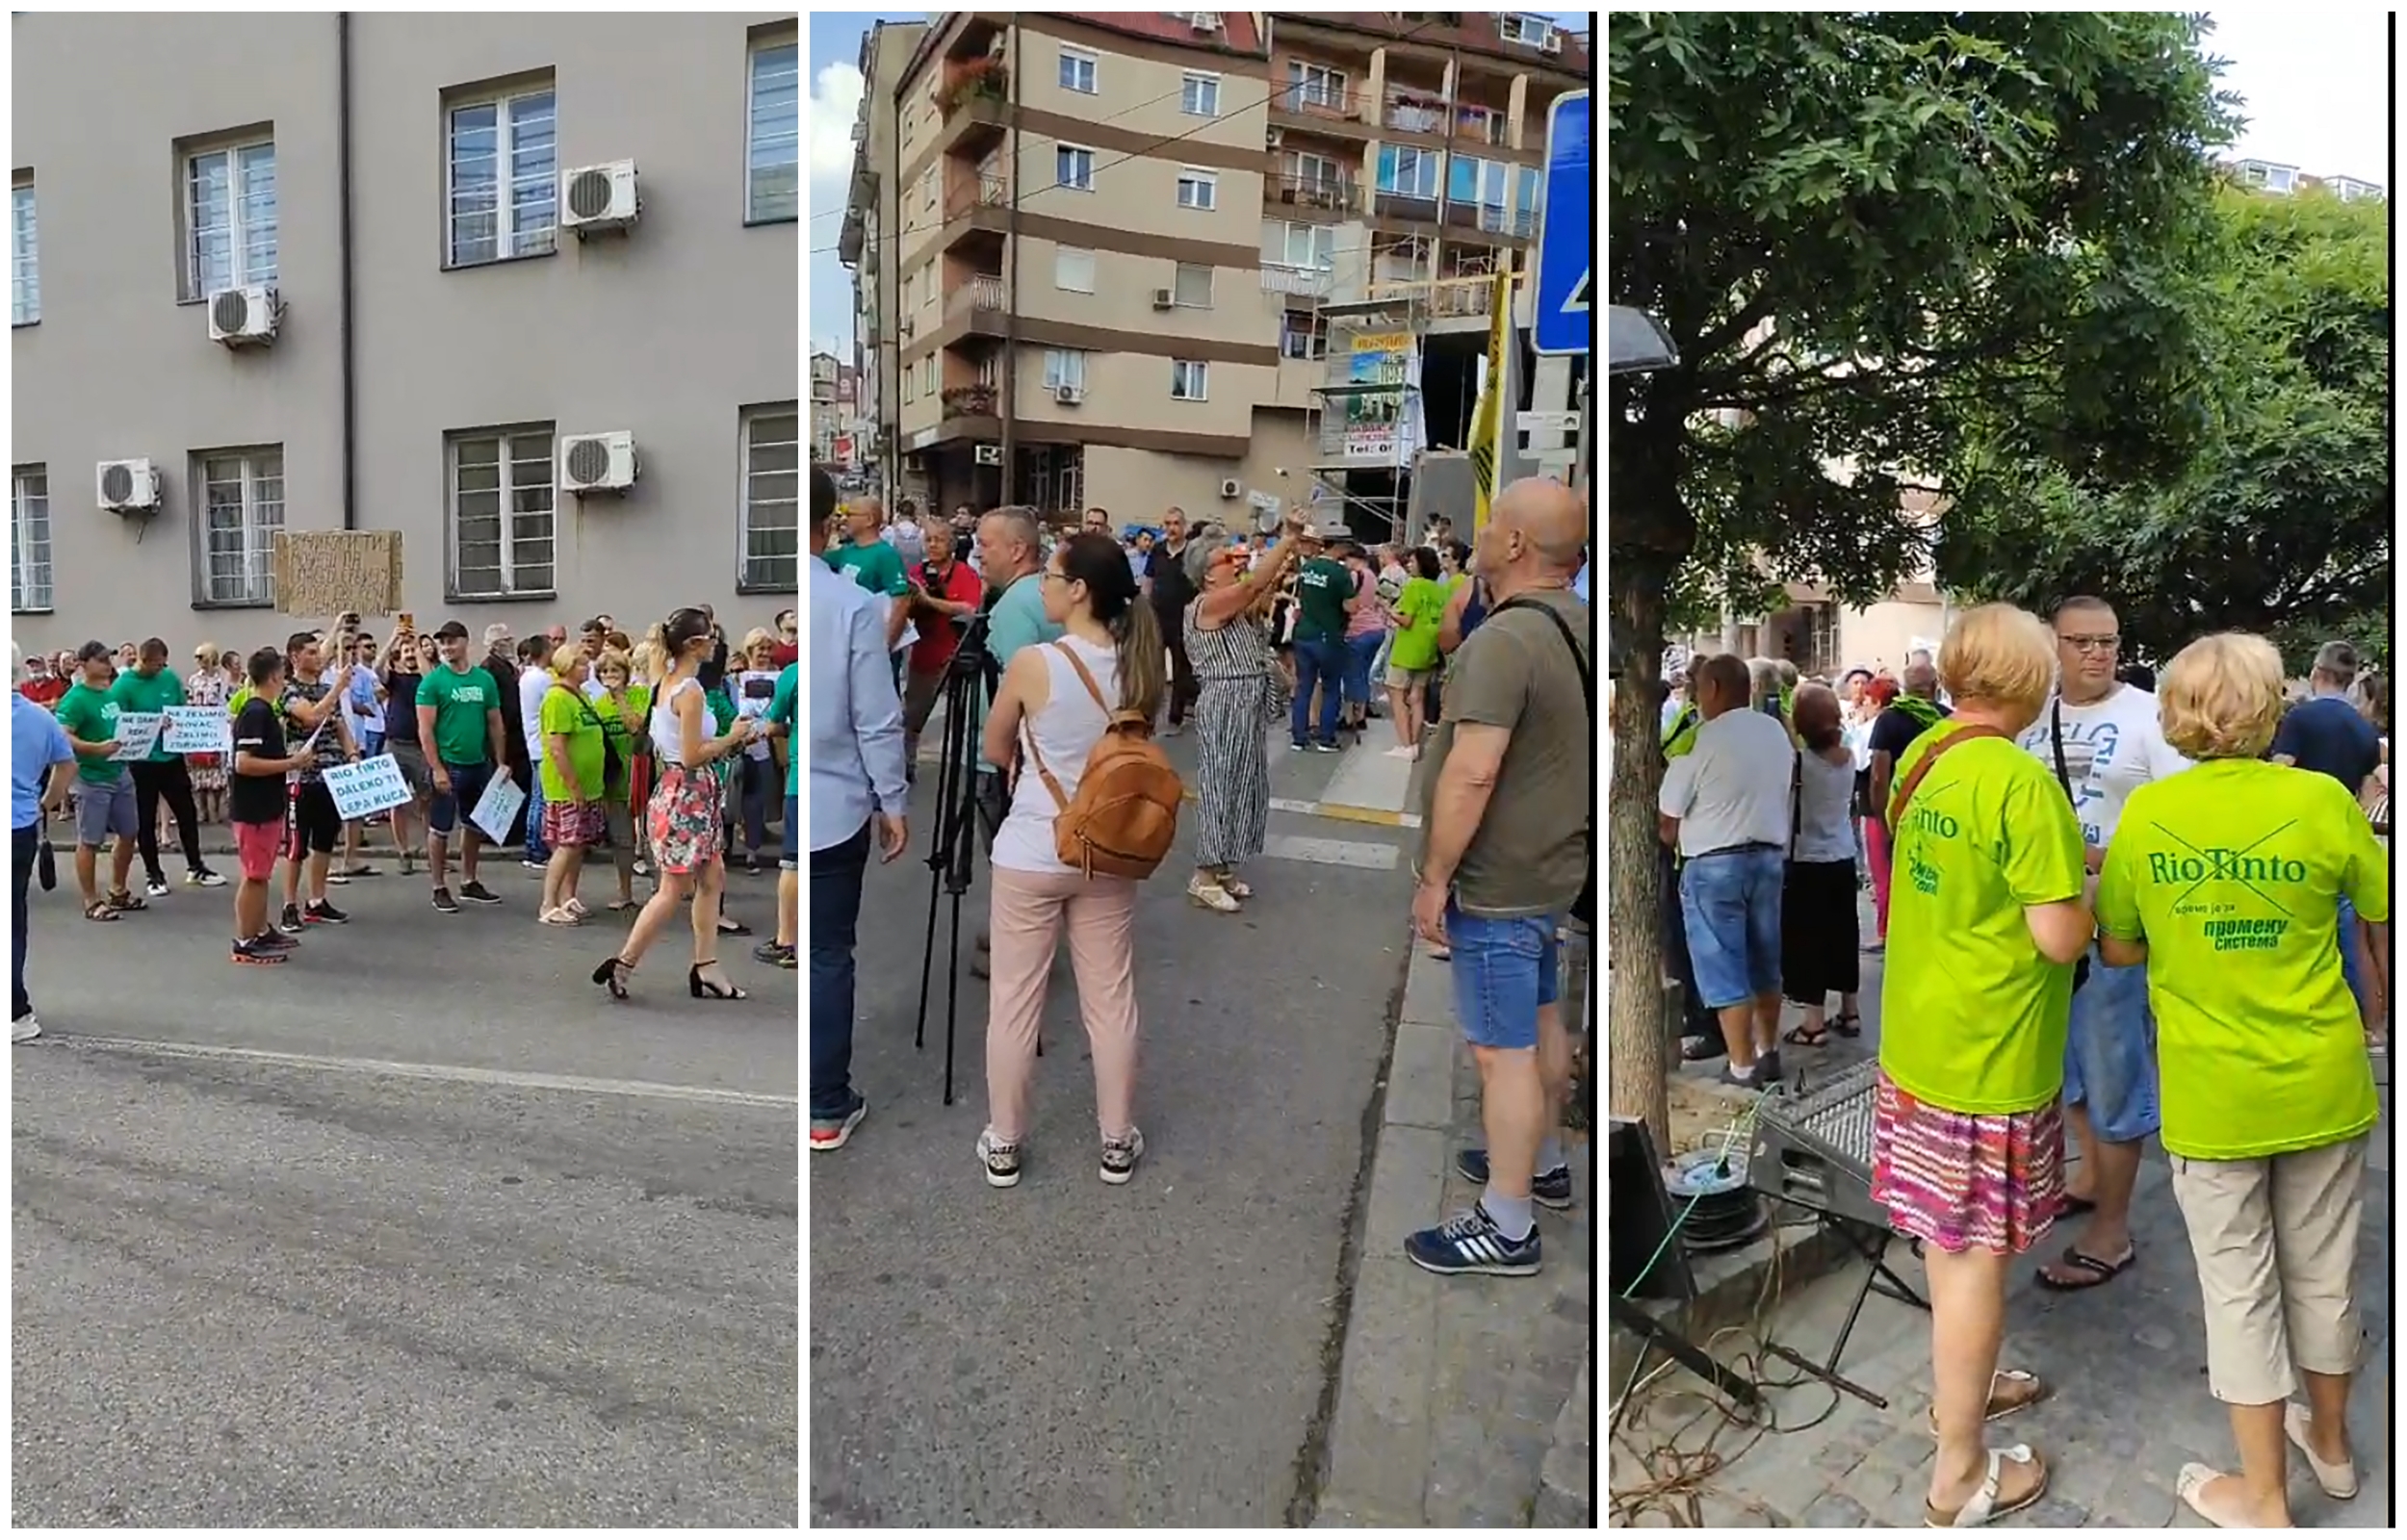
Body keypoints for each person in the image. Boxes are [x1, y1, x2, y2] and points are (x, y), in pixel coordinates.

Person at [2091, 632, 2381, 1527]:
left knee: (2240, 1291)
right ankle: (2329, 1450)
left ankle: (2264, 1500)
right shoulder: (2324, 802)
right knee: (2326, 1275)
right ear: (2272, 705)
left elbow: (2119, 946)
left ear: (2177, 713)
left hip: (2214, 1094)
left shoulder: (2148, 815)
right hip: (2323, 1080)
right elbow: (2381, 903)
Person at [1874, 603, 2088, 1527]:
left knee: (1942, 1246)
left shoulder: (1922, 760)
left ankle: (1966, 1387)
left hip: (1918, 1045)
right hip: (1989, 1061)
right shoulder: (2021, 782)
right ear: (2034, 683)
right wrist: (2089, 890)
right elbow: (2056, 937)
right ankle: (1958, 1474)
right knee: (1971, 1264)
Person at [1405, 478, 1592, 1275]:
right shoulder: (1575, 623)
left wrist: (1436, 877)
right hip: (1549, 869)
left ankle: (1506, 1222)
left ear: (1515, 545)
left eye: (1492, 525)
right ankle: (1540, 1160)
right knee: (1542, 1020)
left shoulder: (1505, 641)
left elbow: (1473, 772)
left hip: (1497, 880)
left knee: (1500, 1052)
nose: (1476, 533)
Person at [975, 531, 1167, 1188]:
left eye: (1053, 577)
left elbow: (995, 746)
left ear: (1080, 590)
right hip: (1109, 849)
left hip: (1034, 844)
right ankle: (1117, 1139)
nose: (1046, 587)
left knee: (1014, 1001)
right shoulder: (1142, 663)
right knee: (1111, 999)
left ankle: (1004, 1141)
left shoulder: (1034, 663)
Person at [2015, 596, 2190, 1292]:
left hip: (2116, 932)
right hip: (2046, 931)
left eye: (2108, 642)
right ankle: (2088, 1178)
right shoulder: (2033, 719)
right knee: (2071, 1072)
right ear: (2052, 646)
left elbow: (2178, 822)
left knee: (2115, 1074)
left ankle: (2112, 1231)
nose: (2096, 653)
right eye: (2081, 642)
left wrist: (2097, 857)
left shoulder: (2149, 716)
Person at [807, 470, 911, 1145]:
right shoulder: (847, 603)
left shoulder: (841, 598)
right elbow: (877, 716)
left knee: (802, 946)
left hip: (799, 792)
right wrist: (892, 799)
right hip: (837, 801)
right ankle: (824, 1104)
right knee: (827, 953)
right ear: (830, 521)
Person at [591, 607, 762, 1003]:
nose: (716, 644)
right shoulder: (690, 690)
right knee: (673, 887)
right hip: (687, 792)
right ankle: (624, 962)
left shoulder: (663, 681)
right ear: (694, 645)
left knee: (712, 877)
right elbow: (692, 754)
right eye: (711, 638)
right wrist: (735, 736)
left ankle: (707, 966)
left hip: (681, 790)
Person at [1658, 652, 1796, 1086]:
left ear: (1712, 689)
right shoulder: (1774, 731)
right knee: (1764, 961)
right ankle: (1768, 1050)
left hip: (1714, 863)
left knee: (1724, 968)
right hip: (1769, 858)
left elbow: (1667, 822)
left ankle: (1741, 1067)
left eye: (1697, 687)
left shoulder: (1700, 739)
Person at [1184, 510, 1305, 912]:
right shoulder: (1208, 604)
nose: (1235, 563)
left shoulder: (1231, 603)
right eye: (1225, 560)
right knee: (1221, 785)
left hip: (1246, 697)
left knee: (1245, 784)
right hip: (1225, 698)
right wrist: (1286, 539)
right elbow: (1255, 584)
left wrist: (1290, 553)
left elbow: (1263, 586)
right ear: (1207, 573)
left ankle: (1222, 866)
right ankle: (1204, 872)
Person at [2272, 639, 2384, 1028]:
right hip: (2344, 839)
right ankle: (2366, 1024)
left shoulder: (2300, 720)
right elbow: (2367, 794)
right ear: (2351, 679)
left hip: (2297, 842)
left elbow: (2280, 772)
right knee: (2353, 942)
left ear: (2317, 673)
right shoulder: (2364, 729)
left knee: (2301, 938)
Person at [1779, 684, 1863, 1045]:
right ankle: (1850, 1009)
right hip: (1843, 855)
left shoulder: (1798, 763)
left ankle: (1813, 1023)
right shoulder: (1849, 759)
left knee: (1808, 940)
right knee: (1845, 934)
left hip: (1806, 860)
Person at [225, 648, 316, 965]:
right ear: (275, 676)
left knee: (261, 873)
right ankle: (245, 940)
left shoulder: (263, 710)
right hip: (253, 808)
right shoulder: (255, 713)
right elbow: (244, 763)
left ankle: (261, 930)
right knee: (254, 875)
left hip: (266, 804)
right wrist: (292, 762)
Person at [111, 637, 222, 896]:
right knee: (145, 820)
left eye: (163, 664)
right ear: (143, 660)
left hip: (170, 758)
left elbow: (181, 709)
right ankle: (154, 874)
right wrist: (152, 723)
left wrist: (182, 723)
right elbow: (120, 722)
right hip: (142, 762)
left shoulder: (169, 678)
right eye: (156, 665)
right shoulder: (123, 685)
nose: (160, 669)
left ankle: (196, 866)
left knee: (186, 813)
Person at [417, 620, 511, 914]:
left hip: (477, 763)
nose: (446, 647)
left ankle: (469, 880)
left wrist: (500, 762)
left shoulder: (484, 679)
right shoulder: (433, 682)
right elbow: (425, 729)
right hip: (449, 763)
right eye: (442, 642)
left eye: (451, 641)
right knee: (440, 828)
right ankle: (438, 886)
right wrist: (437, 768)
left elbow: (495, 723)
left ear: (465, 642)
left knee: (474, 825)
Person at [272, 630, 359, 934]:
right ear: (295, 657)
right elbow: (310, 717)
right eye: (310, 652)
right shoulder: (288, 689)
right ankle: (289, 905)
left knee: (325, 841)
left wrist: (351, 755)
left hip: (331, 775)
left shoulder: (324, 688)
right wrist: (338, 688)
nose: (318, 656)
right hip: (302, 778)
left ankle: (317, 900)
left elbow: (339, 726)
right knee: (297, 845)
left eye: (317, 651)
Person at [53, 642, 145, 922]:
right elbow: (63, 735)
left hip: (119, 773)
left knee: (129, 833)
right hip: (91, 778)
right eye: (101, 659)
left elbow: (123, 726)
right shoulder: (76, 698)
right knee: (90, 841)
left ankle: (118, 889)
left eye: (109, 659)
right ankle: (91, 900)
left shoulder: (109, 694)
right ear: (84, 664)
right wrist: (95, 749)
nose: (107, 664)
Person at [14, 647, 78, 1037]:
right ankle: (16, 1011)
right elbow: (67, 763)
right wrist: (48, 803)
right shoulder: (39, 718)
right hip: (20, 825)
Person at [536, 644, 608, 926]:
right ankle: (548, 903)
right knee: (566, 844)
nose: (586, 667)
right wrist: (573, 785)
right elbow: (557, 747)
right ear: (566, 666)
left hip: (590, 784)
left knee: (578, 844)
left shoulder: (582, 696)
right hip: (567, 787)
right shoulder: (557, 698)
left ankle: (569, 896)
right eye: (580, 663)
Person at [901, 533, 983, 771]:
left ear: (952, 544)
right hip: (924, 653)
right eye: (929, 540)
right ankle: (907, 763)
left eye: (940, 539)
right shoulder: (917, 572)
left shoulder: (965, 574)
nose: (933, 545)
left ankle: (966, 765)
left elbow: (969, 609)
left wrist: (929, 601)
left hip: (956, 653)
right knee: (913, 716)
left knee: (963, 717)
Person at [587, 647, 649, 913]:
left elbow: (637, 727)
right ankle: (625, 893)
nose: (610, 676)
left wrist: (621, 697)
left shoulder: (641, 695)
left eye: (615, 670)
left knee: (653, 838)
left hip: (644, 776)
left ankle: (662, 892)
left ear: (626, 672)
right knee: (622, 840)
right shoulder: (597, 704)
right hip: (614, 782)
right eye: (605, 671)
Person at [1288, 527, 1355, 752]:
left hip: (1304, 633)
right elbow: (1350, 606)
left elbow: (1299, 599)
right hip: (1328, 636)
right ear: (1340, 546)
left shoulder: (1308, 567)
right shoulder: (1340, 573)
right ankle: (1326, 738)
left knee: (1303, 687)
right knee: (1331, 688)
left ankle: (1299, 737)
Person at [1384, 547, 1448, 757]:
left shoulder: (1414, 586)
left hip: (1407, 648)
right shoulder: (1439, 589)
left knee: (1395, 692)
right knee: (1417, 696)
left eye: (1412, 561)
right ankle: (1415, 743)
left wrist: (1388, 610)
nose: (1409, 565)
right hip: (1428, 648)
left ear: (1421, 563)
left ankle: (1405, 744)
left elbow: (1406, 620)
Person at [731, 629, 784, 873]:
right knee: (730, 800)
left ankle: (752, 851)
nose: (763, 653)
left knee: (756, 801)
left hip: (767, 747)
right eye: (758, 648)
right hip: (738, 746)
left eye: (767, 648)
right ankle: (726, 847)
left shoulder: (781, 678)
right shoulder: (735, 680)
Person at [1146, 507, 1202, 733]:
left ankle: (1175, 718)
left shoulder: (1192, 553)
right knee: (1152, 668)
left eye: (1176, 523)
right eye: (1167, 523)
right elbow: (1148, 580)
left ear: (1184, 526)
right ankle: (1147, 716)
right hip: (1157, 616)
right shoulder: (1158, 550)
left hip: (1183, 619)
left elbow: (1200, 583)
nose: (1171, 528)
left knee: (1181, 670)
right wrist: (1144, 608)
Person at [517, 635, 556, 871]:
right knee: (541, 799)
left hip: (533, 742)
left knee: (537, 797)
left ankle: (534, 846)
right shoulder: (542, 679)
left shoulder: (527, 677)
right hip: (542, 744)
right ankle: (535, 849)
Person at [184, 643, 231, 828]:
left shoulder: (221, 680)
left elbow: (226, 701)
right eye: (196, 657)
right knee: (199, 766)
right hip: (199, 727)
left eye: (201, 657)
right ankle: (202, 809)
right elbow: (189, 701)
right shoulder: (194, 680)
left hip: (215, 726)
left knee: (216, 766)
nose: (199, 661)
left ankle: (216, 809)